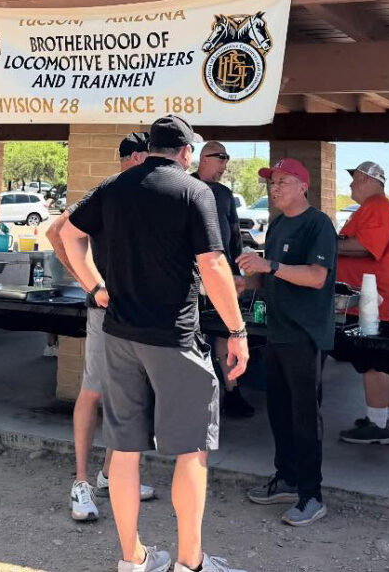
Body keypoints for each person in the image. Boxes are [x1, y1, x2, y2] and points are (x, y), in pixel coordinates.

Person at [60, 115, 249, 572]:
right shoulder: (194, 191)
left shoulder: (113, 187)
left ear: (150, 148)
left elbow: (66, 234)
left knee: (124, 451)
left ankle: (133, 558)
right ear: (185, 152)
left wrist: (95, 287)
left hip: (119, 335)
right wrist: (237, 331)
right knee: (192, 450)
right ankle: (190, 563)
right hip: (174, 337)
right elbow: (214, 265)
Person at [46, 131, 156, 523]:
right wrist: (90, 284)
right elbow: (56, 231)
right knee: (92, 391)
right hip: (106, 311)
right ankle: (81, 483)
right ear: (136, 157)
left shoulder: (148, 195)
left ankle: (111, 474)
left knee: (129, 395)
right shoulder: (107, 192)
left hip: (140, 313)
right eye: (151, 155)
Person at [237, 157, 337, 527]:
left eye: (281, 181)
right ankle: (287, 479)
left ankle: (312, 495)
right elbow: (270, 275)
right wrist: (246, 281)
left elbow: (316, 276)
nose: (274, 188)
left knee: (304, 417)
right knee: (279, 412)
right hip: (276, 332)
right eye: (272, 182)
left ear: (303, 186)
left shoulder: (318, 224)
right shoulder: (278, 224)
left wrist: (270, 266)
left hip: (304, 335)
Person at [334, 162, 389, 446]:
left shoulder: (376, 205)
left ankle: (378, 426)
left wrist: (327, 244)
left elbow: (365, 246)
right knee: (383, 361)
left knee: (373, 363)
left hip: (370, 301)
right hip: (376, 299)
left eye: (354, 180)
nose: (350, 185)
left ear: (366, 179)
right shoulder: (378, 207)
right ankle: (386, 416)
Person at [192, 140, 253, 418]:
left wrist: (237, 272)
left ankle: (233, 392)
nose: (224, 167)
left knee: (226, 331)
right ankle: (196, 396)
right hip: (192, 276)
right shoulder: (187, 185)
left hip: (222, 273)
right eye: (221, 159)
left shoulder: (226, 194)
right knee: (194, 333)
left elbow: (234, 233)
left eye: (227, 161)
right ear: (204, 157)